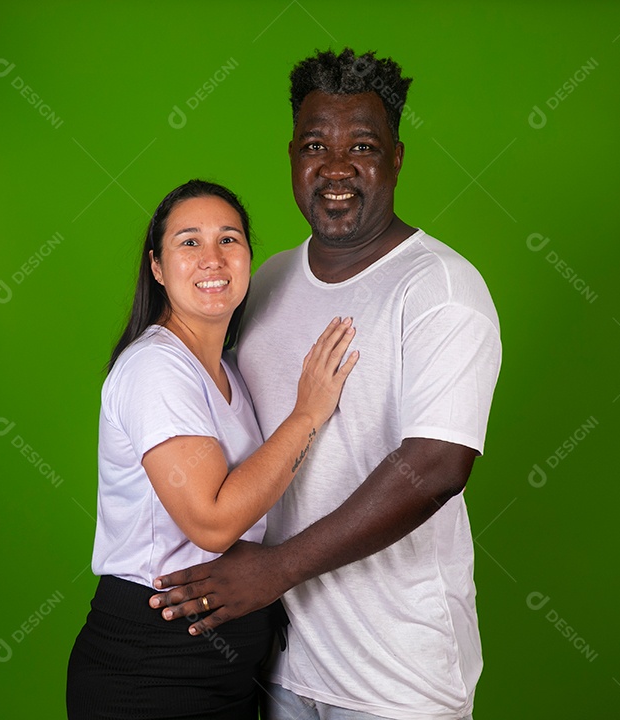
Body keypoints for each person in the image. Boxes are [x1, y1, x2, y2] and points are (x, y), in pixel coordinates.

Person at [149, 49, 503, 719]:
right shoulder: (269, 280)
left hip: (395, 680)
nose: (336, 168)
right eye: (316, 145)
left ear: (396, 158)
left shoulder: (439, 290)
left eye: (362, 146)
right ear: (292, 156)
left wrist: (277, 568)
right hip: (277, 662)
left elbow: (437, 466)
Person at [66, 179, 358, 719]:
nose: (212, 259)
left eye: (229, 239)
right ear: (156, 266)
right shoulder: (156, 367)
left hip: (224, 669)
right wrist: (309, 413)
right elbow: (213, 522)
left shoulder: (225, 369)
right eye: (189, 242)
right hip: (153, 668)